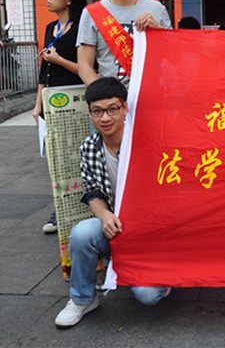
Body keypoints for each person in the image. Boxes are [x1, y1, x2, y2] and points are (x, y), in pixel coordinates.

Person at [55, 77, 170, 328]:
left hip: (154, 232)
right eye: (97, 111)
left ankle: (165, 277)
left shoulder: (149, 141)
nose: (105, 118)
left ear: (125, 108)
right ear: (90, 113)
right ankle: (83, 299)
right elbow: (92, 193)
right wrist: (105, 215)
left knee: (148, 296)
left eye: (112, 109)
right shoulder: (89, 147)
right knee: (82, 233)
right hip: (118, 226)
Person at [32, 0, 87, 234]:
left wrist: (59, 59)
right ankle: (61, 209)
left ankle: (81, 207)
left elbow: (87, 69)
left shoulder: (81, 28)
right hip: (50, 103)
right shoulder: (50, 27)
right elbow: (44, 70)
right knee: (55, 160)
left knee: (76, 158)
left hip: (74, 102)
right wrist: (37, 105)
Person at [76, 0, 172, 88]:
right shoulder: (92, 13)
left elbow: (173, 57)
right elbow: (84, 65)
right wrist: (103, 96)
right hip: (112, 99)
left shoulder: (156, 9)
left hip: (152, 94)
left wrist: (158, 31)